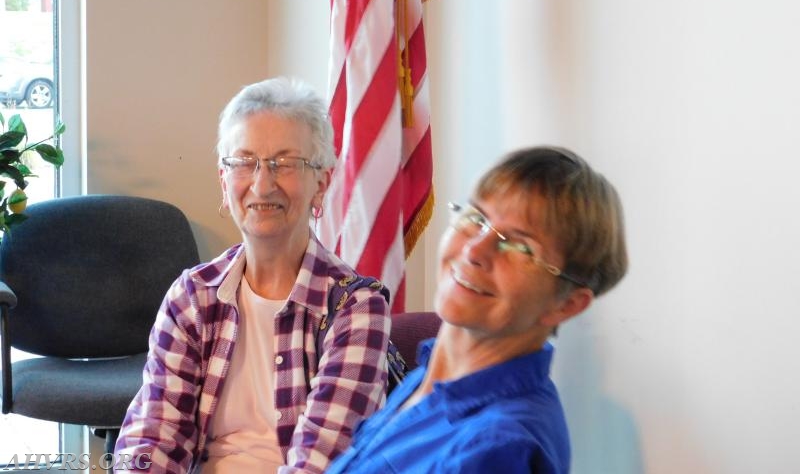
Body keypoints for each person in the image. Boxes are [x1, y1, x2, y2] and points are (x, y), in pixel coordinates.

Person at [114, 77, 391, 473]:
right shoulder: (192, 298)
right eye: (244, 162)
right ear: (224, 184)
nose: (262, 184)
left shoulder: (355, 310)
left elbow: (321, 463)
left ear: (321, 183)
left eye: (285, 163)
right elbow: (152, 438)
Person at [327, 146, 628, 474]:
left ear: (566, 304)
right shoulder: (433, 376)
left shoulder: (500, 447)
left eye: (520, 246)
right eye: (476, 218)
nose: (474, 250)